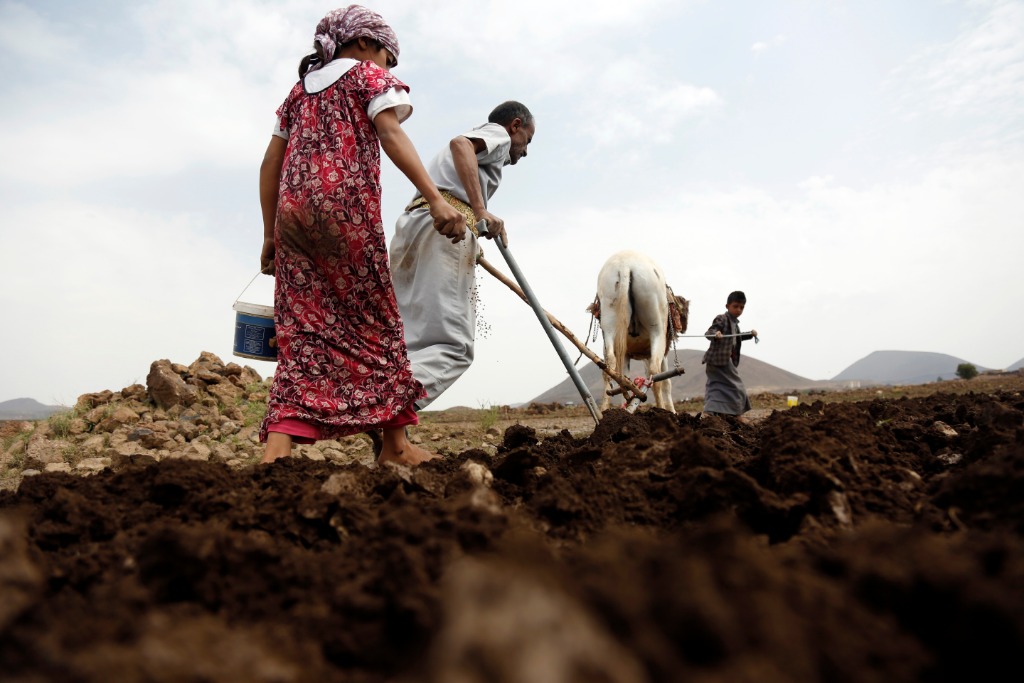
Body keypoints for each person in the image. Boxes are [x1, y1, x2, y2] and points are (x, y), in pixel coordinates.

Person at [257, 5, 466, 466]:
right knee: (376, 325)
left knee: (304, 330)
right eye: (389, 59)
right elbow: (389, 132)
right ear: (367, 44)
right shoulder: (364, 77)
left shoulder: (297, 93)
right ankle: (395, 447)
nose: (389, 69)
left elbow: (271, 162)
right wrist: (434, 198)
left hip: (291, 218)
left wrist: (270, 234)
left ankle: (278, 448)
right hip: (344, 213)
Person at [388, 101, 536, 412]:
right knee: (454, 348)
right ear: (516, 126)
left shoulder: (470, 155)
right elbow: (462, 145)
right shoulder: (498, 136)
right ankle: (387, 409)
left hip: (415, 223)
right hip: (445, 227)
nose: (524, 152)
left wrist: (475, 234)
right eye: (527, 141)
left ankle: (392, 437)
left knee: (407, 340)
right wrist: (479, 211)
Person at [702, 291, 758, 417]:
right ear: (727, 306)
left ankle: (710, 413)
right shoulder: (722, 318)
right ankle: (737, 415)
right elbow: (709, 332)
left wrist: (750, 334)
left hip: (725, 361)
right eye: (735, 306)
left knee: (716, 387)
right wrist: (715, 334)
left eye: (742, 307)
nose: (739, 310)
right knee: (737, 387)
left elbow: (736, 338)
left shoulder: (735, 324)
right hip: (718, 360)